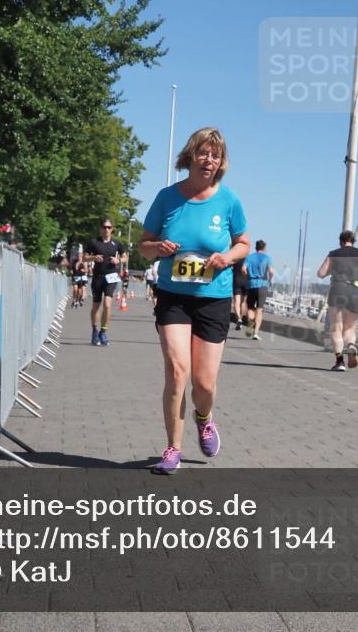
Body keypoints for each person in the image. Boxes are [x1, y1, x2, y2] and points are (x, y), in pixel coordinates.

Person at [139, 127, 249, 475]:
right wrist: (156, 249)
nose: (209, 160)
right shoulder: (167, 198)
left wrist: (227, 257)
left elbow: (244, 242)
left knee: (204, 383)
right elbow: (144, 244)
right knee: (177, 372)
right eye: (203, 153)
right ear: (190, 157)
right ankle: (173, 448)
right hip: (173, 297)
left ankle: (204, 417)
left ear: (221, 163)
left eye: (215, 155)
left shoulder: (229, 200)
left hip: (213, 299)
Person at [316, 230, 358, 372]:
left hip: (339, 289)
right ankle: (351, 346)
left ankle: (340, 362)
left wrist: (334, 270)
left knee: (336, 328)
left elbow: (321, 273)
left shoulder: (334, 253)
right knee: (349, 327)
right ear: (353, 241)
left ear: (341, 242)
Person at [85, 219, 128, 346]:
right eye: (104, 227)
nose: (107, 229)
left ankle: (103, 332)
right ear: (100, 228)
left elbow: (125, 257)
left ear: (112, 229)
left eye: (109, 227)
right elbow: (84, 257)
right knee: (96, 306)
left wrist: (118, 260)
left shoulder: (116, 244)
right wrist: (94, 257)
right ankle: (94, 330)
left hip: (111, 277)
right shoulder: (94, 242)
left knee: (108, 304)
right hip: (98, 277)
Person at [242, 240, 274, 341]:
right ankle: (255, 333)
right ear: (264, 248)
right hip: (263, 285)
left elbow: (243, 269)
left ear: (256, 247)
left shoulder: (249, 257)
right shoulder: (268, 258)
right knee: (259, 309)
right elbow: (271, 271)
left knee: (251, 308)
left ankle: (250, 326)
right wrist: (270, 279)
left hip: (251, 284)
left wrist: (247, 276)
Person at [231, 260, 248, 331]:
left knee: (236, 302)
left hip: (237, 280)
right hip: (246, 281)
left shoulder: (235, 259)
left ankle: (238, 319)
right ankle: (240, 318)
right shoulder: (249, 260)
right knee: (243, 302)